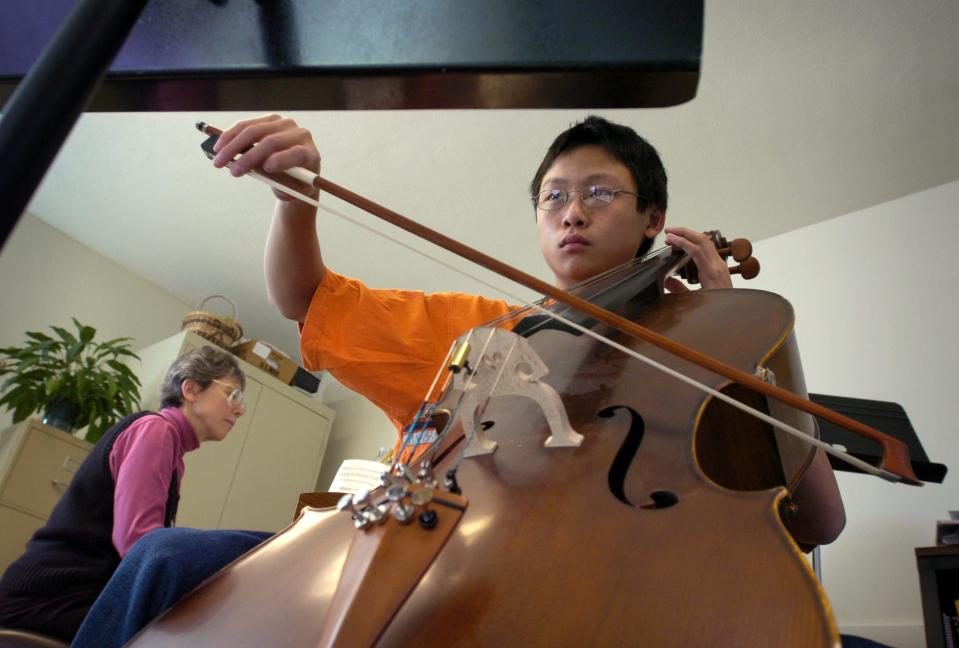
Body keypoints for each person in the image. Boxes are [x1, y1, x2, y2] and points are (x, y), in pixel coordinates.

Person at [209, 113, 845, 547]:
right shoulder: (480, 331)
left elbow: (821, 521)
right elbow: (302, 297)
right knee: (171, 560)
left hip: (618, 584)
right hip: (439, 559)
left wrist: (728, 337)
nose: (571, 212)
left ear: (654, 219)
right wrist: (296, 203)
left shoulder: (686, 352)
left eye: (599, 194)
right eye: (553, 197)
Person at [0, 346, 261, 642]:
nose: (239, 409)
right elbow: (139, 544)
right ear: (190, 388)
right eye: (232, 395)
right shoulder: (155, 431)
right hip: (50, 597)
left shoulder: (172, 451)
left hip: (66, 595)